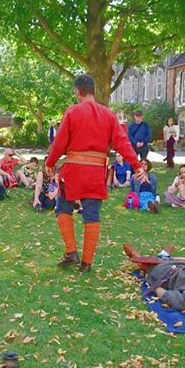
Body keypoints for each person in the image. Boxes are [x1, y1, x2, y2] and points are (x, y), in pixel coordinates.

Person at [45, 73, 144, 272]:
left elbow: (60, 142)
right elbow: (122, 142)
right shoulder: (108, 114)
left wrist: (50, 163)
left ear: (78, 91)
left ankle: (71, 252)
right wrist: (137, 165)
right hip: (96, 173)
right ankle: (86, 263)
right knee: (92, 215)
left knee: (63, 208)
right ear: (93, 91)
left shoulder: (72, 111)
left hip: (73, 171)